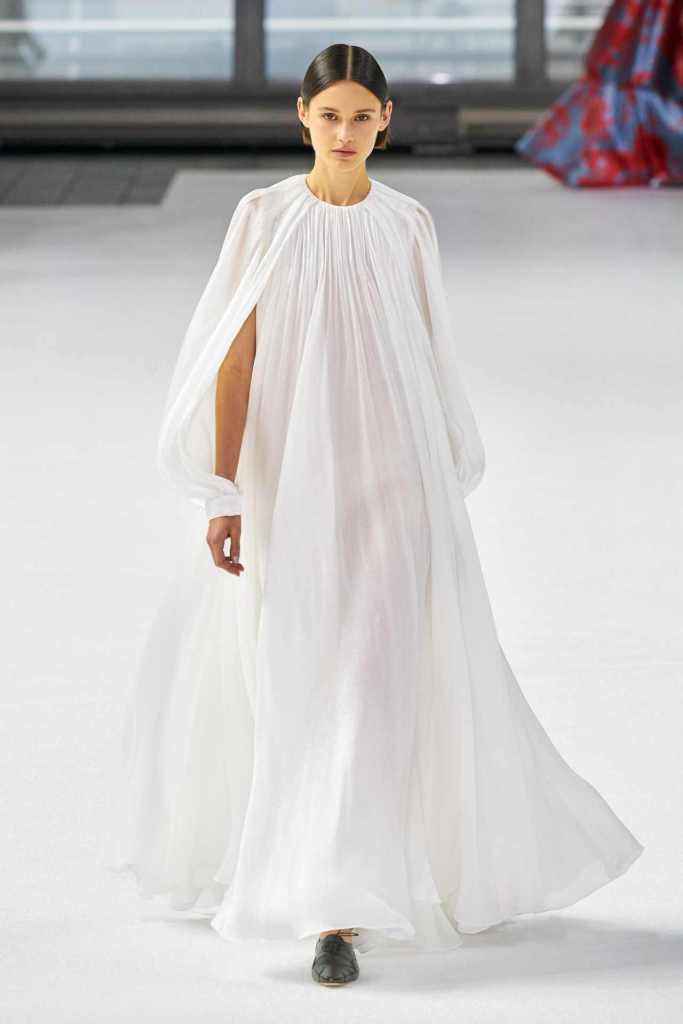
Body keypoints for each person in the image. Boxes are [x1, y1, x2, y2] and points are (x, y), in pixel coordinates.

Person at [98, 44, 644, 988]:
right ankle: (320, 881)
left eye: (361, 117)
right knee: (304, 665)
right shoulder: (263, 217)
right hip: (292, 477)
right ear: (301, 117)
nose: (344, 133)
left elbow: (423, 356)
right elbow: (235, 359)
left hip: (394, 476)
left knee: (376, 672)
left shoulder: (407, 225)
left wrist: (431, 482)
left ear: (386, 120)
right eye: (329, 116)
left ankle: (339, 910)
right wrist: (226, 492)